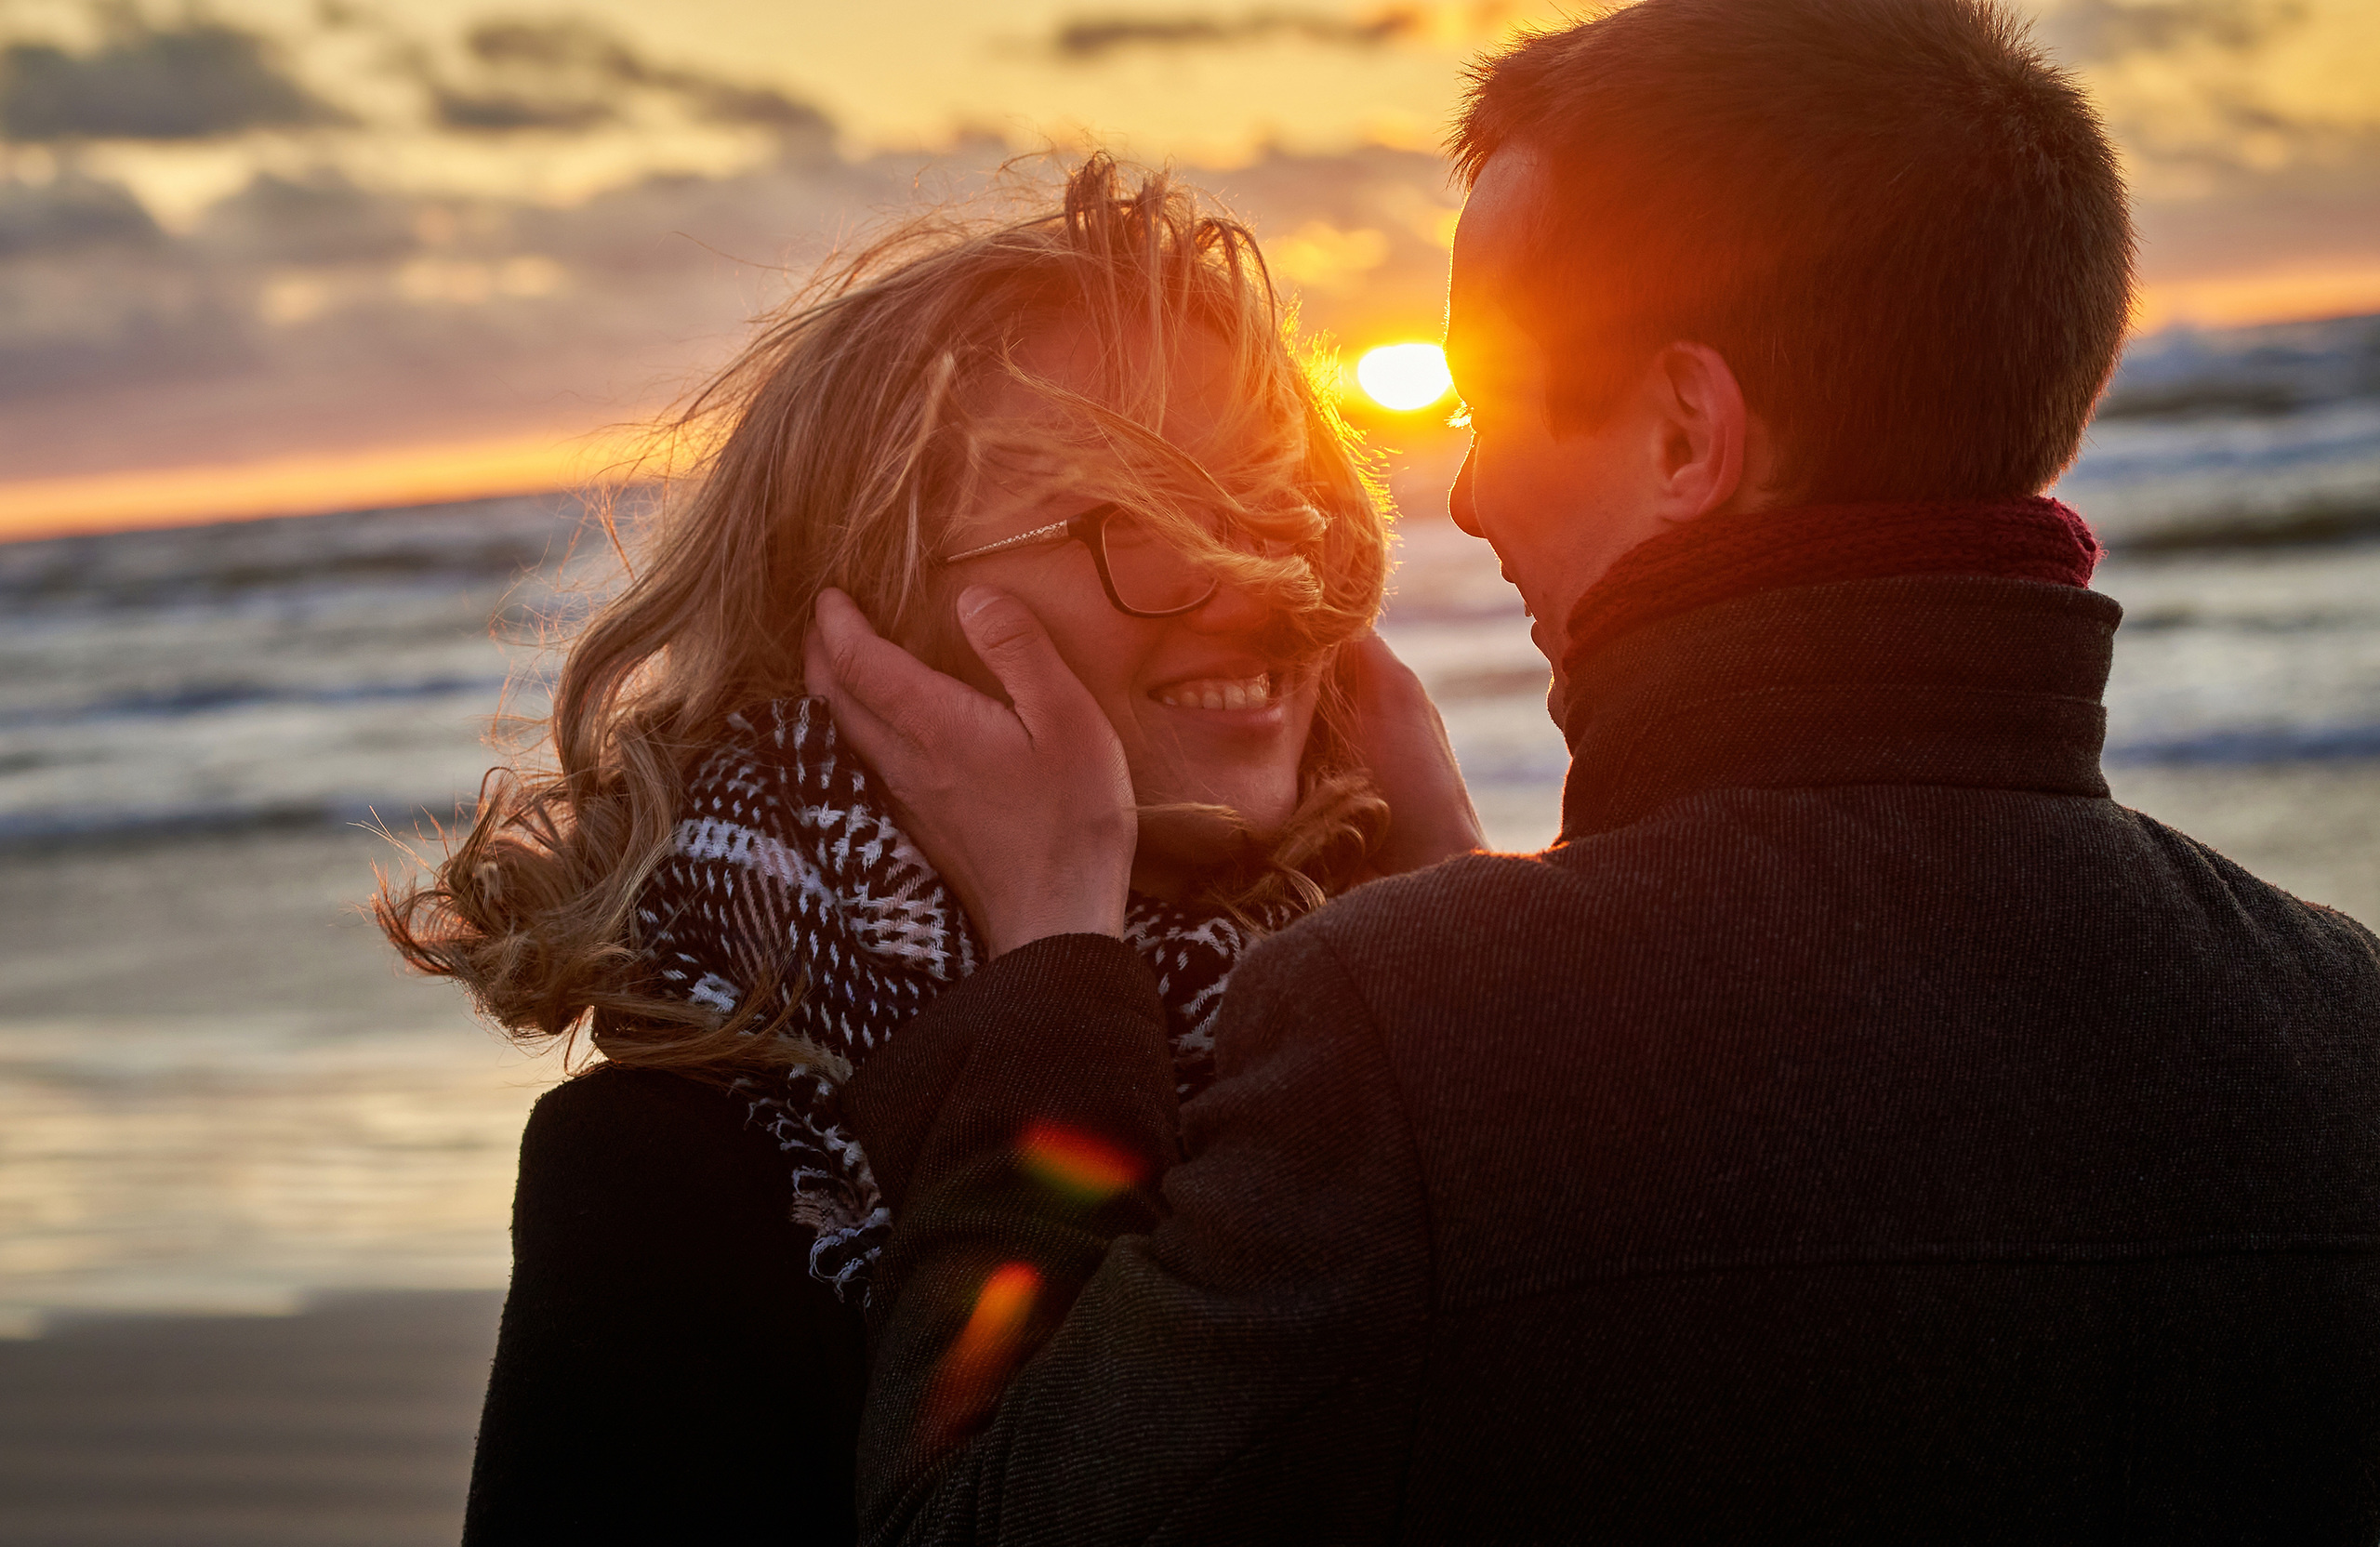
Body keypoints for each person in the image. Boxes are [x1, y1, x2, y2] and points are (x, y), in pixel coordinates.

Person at [808, 0, 2380, 1540]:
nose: (1474, 498)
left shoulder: (1415, 1044)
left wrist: (1056, 966)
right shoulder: (2343, 1023)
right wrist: (1460, 902)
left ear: (1689, 435)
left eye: (1492, 408)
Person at [374, 157, 1480, 1543]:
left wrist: (1461, 924)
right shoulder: (679, 1174)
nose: (1262, 583)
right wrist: (1061, 973)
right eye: (1139, 514)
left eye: (1280, 502)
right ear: (865, 621)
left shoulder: (1382, 1038)